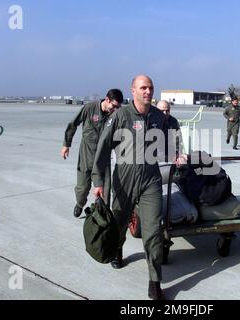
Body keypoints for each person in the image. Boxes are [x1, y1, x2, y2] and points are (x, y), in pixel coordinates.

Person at [92, 75, 166, 300]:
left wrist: (178, 150)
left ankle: (155, 282)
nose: (148, 91)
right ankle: (118, 248)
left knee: (153, 232)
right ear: (133, 91)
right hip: (124, 179)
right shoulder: (120, 116)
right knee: (119, 223)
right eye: (143, 87)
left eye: (151, 87)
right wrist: (98, 182)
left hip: (151, 180)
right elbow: (103, 149)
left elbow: (171, 137)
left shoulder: (158, 116)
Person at [61, 89, 123, 217]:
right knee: (82, 188)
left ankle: (102, 213)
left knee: (105, 190)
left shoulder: (115, 115)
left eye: (118, 107)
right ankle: (79, 203)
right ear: (107, 100)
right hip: (86, 155)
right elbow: (73, 124)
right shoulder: (89, 108)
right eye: (114, 106)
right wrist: (66, 144)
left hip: (103, 158)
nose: (115, 109)